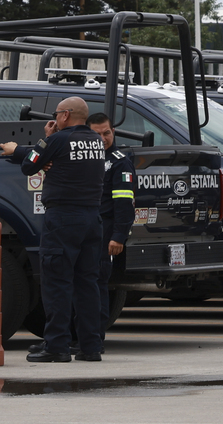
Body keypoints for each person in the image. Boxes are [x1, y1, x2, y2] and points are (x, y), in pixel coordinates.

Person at [1, 97, 107, 362]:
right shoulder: (95, 141)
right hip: (91, 219)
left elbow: (29, 166)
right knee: (87, 283)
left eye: (56, 114)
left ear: (65, 115)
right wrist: (49, 151)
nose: (55, 118)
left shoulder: (58, 140)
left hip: (63, 219)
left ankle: (57, 346)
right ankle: (91, 346)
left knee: (57, 282)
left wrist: (43, 141)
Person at [90, 112, 136, 341]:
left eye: (106, 133)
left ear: (113, 132)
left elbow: (124, 205)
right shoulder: (85, 159)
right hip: (85, 230)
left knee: (97, 284)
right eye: (96, 134)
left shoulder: (120, 162)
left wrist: (118, 236)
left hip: (105, 230)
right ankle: (80, 338)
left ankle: (95, 339)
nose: (102, 139)